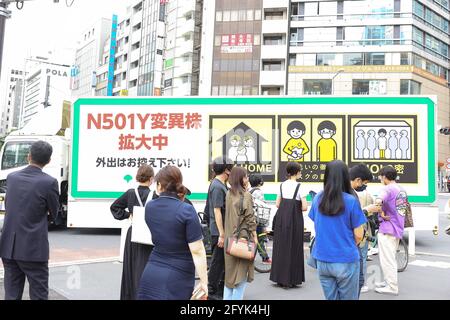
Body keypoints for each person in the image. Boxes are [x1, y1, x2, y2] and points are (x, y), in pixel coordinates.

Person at [0, 141, 59, 300]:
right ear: (48, 161)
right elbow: (55, 214)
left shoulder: (11, 178)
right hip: (34, 249)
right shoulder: (49, 182)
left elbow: (10, 205)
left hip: (9, 247)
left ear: (28, 156)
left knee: (11, 294)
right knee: (39, 294)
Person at [137, 165, 208, 300]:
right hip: (178, 276)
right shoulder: (186, 210)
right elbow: (197, 251)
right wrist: (204, 282)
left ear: (159, 186)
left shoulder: (150, 207)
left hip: (151, 271)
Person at [308, 160, 367, 300]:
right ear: (346, 177)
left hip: (322, 260)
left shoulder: (317, 198)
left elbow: (317, 223)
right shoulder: (351, 200)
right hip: (345, 259)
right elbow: (359, 235)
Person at [110, 165, 155, 300]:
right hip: (149, 234)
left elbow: (114, 207)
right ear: (151, 179)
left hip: (133, 233)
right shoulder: (154, 195)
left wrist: (127, 214)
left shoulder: (130, 193)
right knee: (146, 267)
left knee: (131, 267)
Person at [366, 166, 405, 295]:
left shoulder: (387, 189)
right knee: (391, 257)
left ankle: (392, 287)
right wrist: (382, 212)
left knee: (387, 259)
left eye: (380, 176)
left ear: (384, 177)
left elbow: (380, 199)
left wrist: (377, 206)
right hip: (397, 227)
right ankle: (389, 282)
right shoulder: (400, 189)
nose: (380, 179)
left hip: (388, 228)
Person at [270, 162, 307, 288]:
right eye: (300, 171)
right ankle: (291, 279)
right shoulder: (300, 186)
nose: (300, 173)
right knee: (294, 246)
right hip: (295, 219)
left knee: (281, 246)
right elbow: (305, 207)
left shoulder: (281, 185)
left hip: (281, 219)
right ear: (296, 172)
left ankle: (279, 278)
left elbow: (277, 204)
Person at [223, 167, 258, 300]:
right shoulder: (246, 195)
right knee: (240, 277)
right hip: (242, 240)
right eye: (245, 177)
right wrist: (255, 236)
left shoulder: (229, 194)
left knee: (229, 278)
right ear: (240, 179)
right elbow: (250, 218)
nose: (247, 179)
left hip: (229, 240)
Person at [206, 157, 234, 299]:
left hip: (220, 230)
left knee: (220, 261)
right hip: (219, 231)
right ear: (226, 170)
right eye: (230, 168)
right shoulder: (217, 186)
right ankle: (210, 291)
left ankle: (217, 289)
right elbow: (217, 211)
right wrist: (222, 234)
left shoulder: (219, 184)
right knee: (217, 261)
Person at [349, 164, 374, 295]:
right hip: (351, 245)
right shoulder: (351, 196)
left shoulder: (324, 194)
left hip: (328, 254)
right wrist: (367, 210)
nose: (362, 186)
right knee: (354, 285)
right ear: (358, 180)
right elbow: (356, 228)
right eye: (363, 183)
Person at [249, 174, 271, 263]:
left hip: (250, 218)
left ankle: (248, 256)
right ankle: (265, 258)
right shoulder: (259, 192)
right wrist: (265, 224)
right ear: (260, 182)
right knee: (260, 238)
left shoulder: (248, 190)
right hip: (258, 220)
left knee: (252, 239)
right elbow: (263, 209)